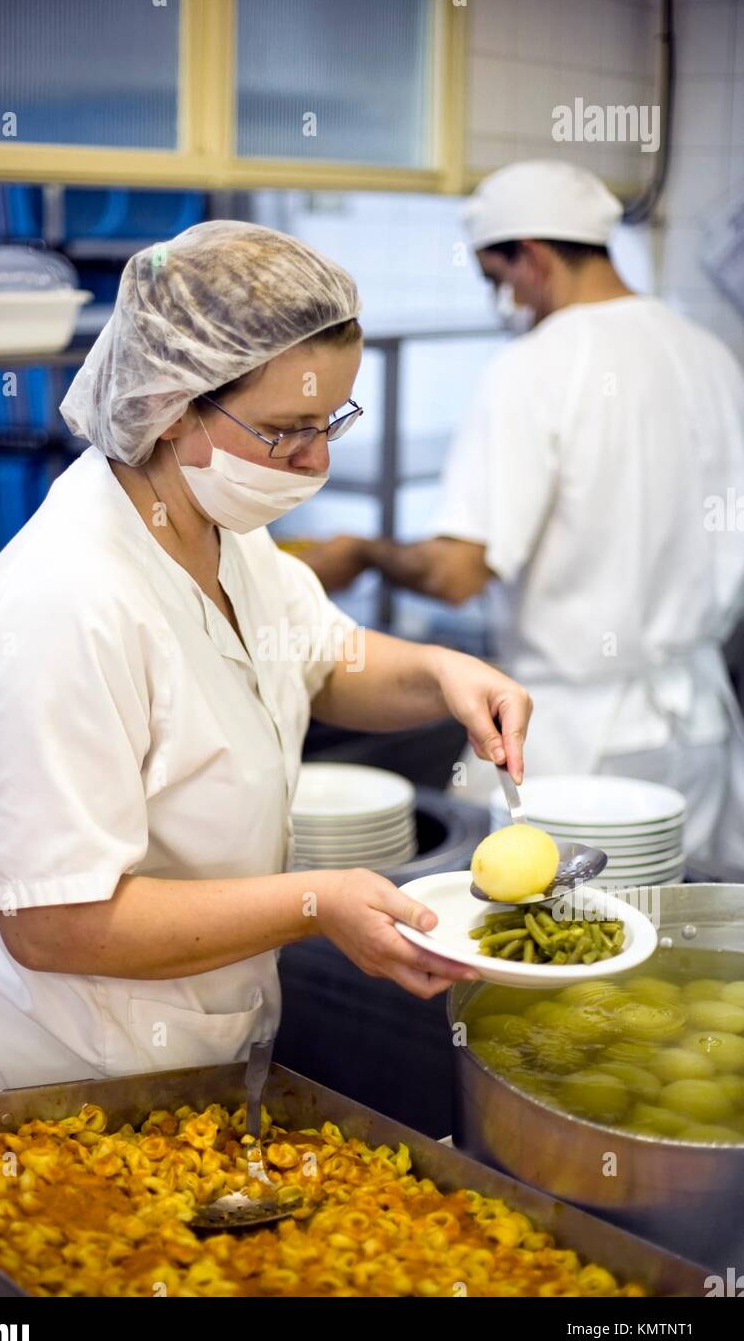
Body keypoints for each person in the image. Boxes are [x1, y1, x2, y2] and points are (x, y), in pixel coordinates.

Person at [0, 221, 532, 1101]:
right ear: (169, 405)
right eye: (284, 431)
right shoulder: (65, 601)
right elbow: (52, 922)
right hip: (55, 1072)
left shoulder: (223, 531)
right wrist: (316, 902)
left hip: (193, 1039)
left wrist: (439, 675)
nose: (314, 462)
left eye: (330, 423)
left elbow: (315, 659)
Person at [302, 162, 744, 862]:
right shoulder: (710, 354)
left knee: (549, 946)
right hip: (698, 728)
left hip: (574, 741)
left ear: (531, 257)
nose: (501, 298)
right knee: (679, 944)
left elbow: (457, 574)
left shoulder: (535, 367)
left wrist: (361, 552)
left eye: (494, 277)